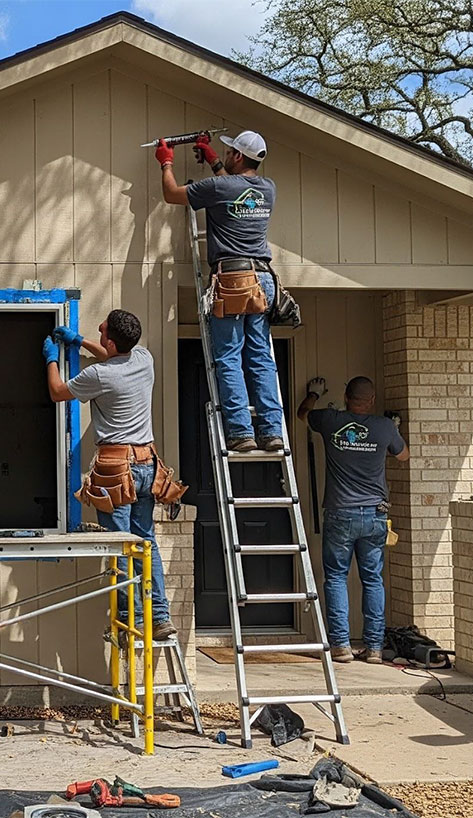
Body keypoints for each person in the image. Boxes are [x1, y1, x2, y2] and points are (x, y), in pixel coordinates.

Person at [44, 310, 177, 641]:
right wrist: (79, 342)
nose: (98, 328)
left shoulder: (100, 376)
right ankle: (159, 617)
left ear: (111, 340)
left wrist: (51, 360)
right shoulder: (144, 359)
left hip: (117, 471)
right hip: (148, 466)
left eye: (102, 329)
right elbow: (113, 354)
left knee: (121, 546)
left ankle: (128, 621)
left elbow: (58, 392)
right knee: (145, 543)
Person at [156, 130, 285, 453]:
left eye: (230, 153)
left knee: (228, 357)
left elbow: (172, 194)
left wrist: (166, 162)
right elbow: (234, 187)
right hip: (262, 279)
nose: (226, 156)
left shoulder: (218, 188)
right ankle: (272, 431)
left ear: (238, 156)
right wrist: (212, 157)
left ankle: (241, 432)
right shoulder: (267, 189)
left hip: (232, 280)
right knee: (259, 358)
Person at [297, 376, 408, 664]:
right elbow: (404, 456)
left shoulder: (331, 420)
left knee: (335, 577)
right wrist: (393, 430)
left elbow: (303, 414)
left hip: (340, 513)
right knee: (372, 579)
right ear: (371, 401)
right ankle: (373, 648)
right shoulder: (384, 427)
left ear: (346, 396)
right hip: (374, 514)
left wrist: (314, 393)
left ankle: (342, 647)